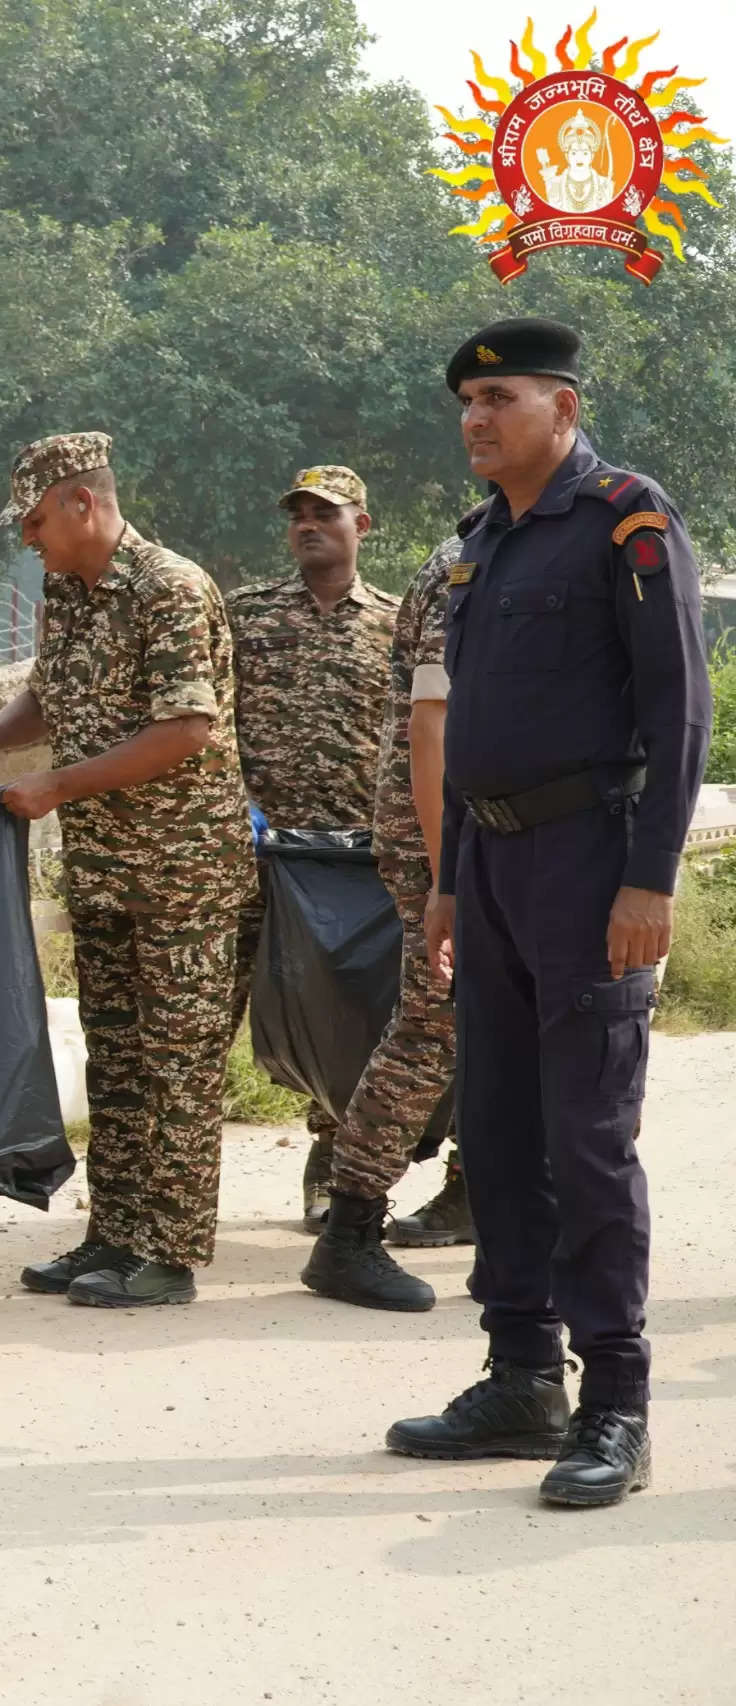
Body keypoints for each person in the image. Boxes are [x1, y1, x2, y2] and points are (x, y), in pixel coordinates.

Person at [385, 317, 710, 1508]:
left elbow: (676, 708)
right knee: (501, 1133)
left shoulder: (626, 519)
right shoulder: (485, 543)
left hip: (588, 865)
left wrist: (649, 878)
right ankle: (521, 1373)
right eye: (466, 401)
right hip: (494, 870)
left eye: (500, 398)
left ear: (562, 409)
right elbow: (473, 731)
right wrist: (444, 878)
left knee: (586, 1140)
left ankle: (614, 1400)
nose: (475, 418)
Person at [0, 432, 254, 1307]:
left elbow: (185, 730)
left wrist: (55, 784)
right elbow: (48, 694)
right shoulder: (66, 589)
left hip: (181, 876)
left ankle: (171, 1251)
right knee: (117, 1060)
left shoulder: (171, 589)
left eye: (37, 521)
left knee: (177, 1063)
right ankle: (114, 1235)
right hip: (105, 870)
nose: (29, 540)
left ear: (84, 503)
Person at [225, 466, 400, 1229]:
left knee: (347, 1015)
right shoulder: (244, 615)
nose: (308, 524)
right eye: (297, 513)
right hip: (252, 850)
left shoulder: (398, 623)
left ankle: (333, 1164)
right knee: (207, 1010)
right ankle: (161, 1187)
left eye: (325, 513)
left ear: (362, 525)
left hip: (350, 864)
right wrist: (241, 806)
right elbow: (208, 721)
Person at [301, 531, 462, 1312]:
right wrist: (447, 872)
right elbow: (433, 722)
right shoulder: (469, 558)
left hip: (486, 833)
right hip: (444, 836)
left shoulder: (537, 538)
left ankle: (492, 1202)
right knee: (431, 1029)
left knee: (498, 1030)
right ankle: (350, 1228)